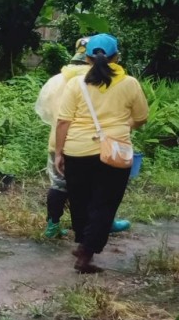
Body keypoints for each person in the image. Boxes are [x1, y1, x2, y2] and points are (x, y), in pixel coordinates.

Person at [54, 34, 148, 273]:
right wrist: (122, 127)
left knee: (80, 199)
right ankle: (86, 251)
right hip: (114, 152)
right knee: (105, 203)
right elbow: (141, 118)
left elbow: (63, 121)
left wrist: (59, 153)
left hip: (77, 150)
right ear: (116, 56)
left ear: (86, 58)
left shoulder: (76, 84)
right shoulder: (129, 84)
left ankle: (83, 242)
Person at [36, 38, 131, 238]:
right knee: (101, 188)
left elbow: (45, 112)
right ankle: (101, 226)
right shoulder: (108, 80)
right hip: (97, 143)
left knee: (58, 184)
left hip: (59, 141)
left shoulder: (57, 79)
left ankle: (52, 226)